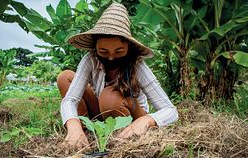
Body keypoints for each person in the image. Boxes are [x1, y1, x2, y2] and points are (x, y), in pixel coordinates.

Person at [57, 2, 178, 148]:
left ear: (128, 47)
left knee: (110, 96)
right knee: (65, 77)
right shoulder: (91, 59)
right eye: (103, 52)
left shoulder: (137, 64)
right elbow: (71, 99)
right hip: (101, 112)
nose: (111, 58)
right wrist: (73, 123)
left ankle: (121, 135)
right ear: (95, 47)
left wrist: (146, 120)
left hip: (131, 115)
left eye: (119, 52)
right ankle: (82, 134)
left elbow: (170, 111)